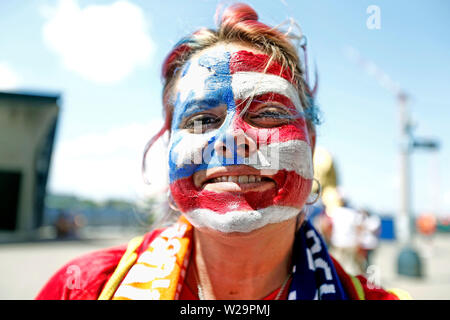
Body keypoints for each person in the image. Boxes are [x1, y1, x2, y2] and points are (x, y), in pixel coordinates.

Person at [36, 3, 408, 300]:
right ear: (169, 149)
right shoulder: (81, 290)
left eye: (268, 114)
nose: (232, 138)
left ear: (309, 143)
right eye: (200, 121)